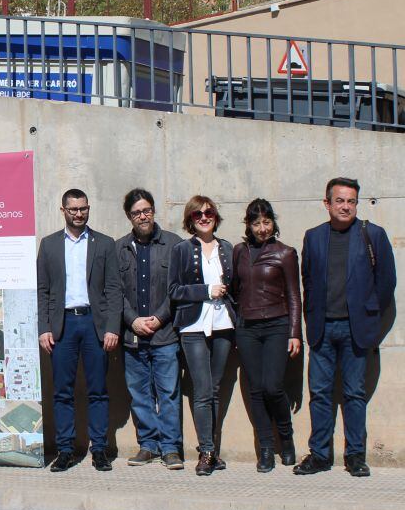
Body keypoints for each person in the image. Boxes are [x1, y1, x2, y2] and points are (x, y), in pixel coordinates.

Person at [295, 177, 396, 477]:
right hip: (322, 330)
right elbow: (308, 280)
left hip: (356, 331)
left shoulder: (372, 235)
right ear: (327, 203)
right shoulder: (313, 237)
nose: (345, 206)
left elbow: (386, 282)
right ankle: (320, 455)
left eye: (351, 201)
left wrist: (368, 317)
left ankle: (355, 456)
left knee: (354, 393)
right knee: (320, 394)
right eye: (339, 200)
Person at [37, 189, 122, 473]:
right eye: (73, 209)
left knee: (98, 390)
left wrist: (112, 327)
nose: (78, 214)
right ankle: (65, 450)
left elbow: (113, 289)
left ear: (88, 208)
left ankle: (99, 449)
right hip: (63, 325)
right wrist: (44, 327)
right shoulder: (49, 245)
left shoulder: (104, 244)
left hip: (93, 324)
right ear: (63, 210)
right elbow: (43, 290)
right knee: (62, 391)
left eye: (83, 208)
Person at [231, 199, 302, 473]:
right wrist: (237, 323)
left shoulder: (286, 253)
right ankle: (266, 448)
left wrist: (295, 333)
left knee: (273, 387)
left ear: (274, 223)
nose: (262, 229)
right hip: (247, 328)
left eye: (266, 222)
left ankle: (286, 437)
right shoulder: (240, 252)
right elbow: (235, 290)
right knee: (256, 390)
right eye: (256, 223)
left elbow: (295, 295)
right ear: (248, 225)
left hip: (277, 325)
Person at [115, 189, 184, 470]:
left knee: (167, 393)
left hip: (165, 334)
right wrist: (132, 320)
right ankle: (148, 445)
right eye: (136, 213)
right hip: (133, 336)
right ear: (129, 217)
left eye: (146, 210)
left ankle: (170, 448)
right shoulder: (118, 248)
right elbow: (114, 292)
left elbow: (177, 289)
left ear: (153, 211)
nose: (142, 216)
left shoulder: (174, 244)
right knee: (140, 393)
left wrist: (159, 317)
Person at [169, 196, 235, 476]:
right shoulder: (182, 250)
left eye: (209, 213)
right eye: (198, 214)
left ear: (215, 217)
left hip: (223, 325)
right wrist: (207, 290)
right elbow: (173, 290)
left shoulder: (229, 248)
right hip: (193, 326)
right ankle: (205, 452)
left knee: (216, 389)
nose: (204, 217)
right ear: (190, 220)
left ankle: (213, 451)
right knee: (203, 390)